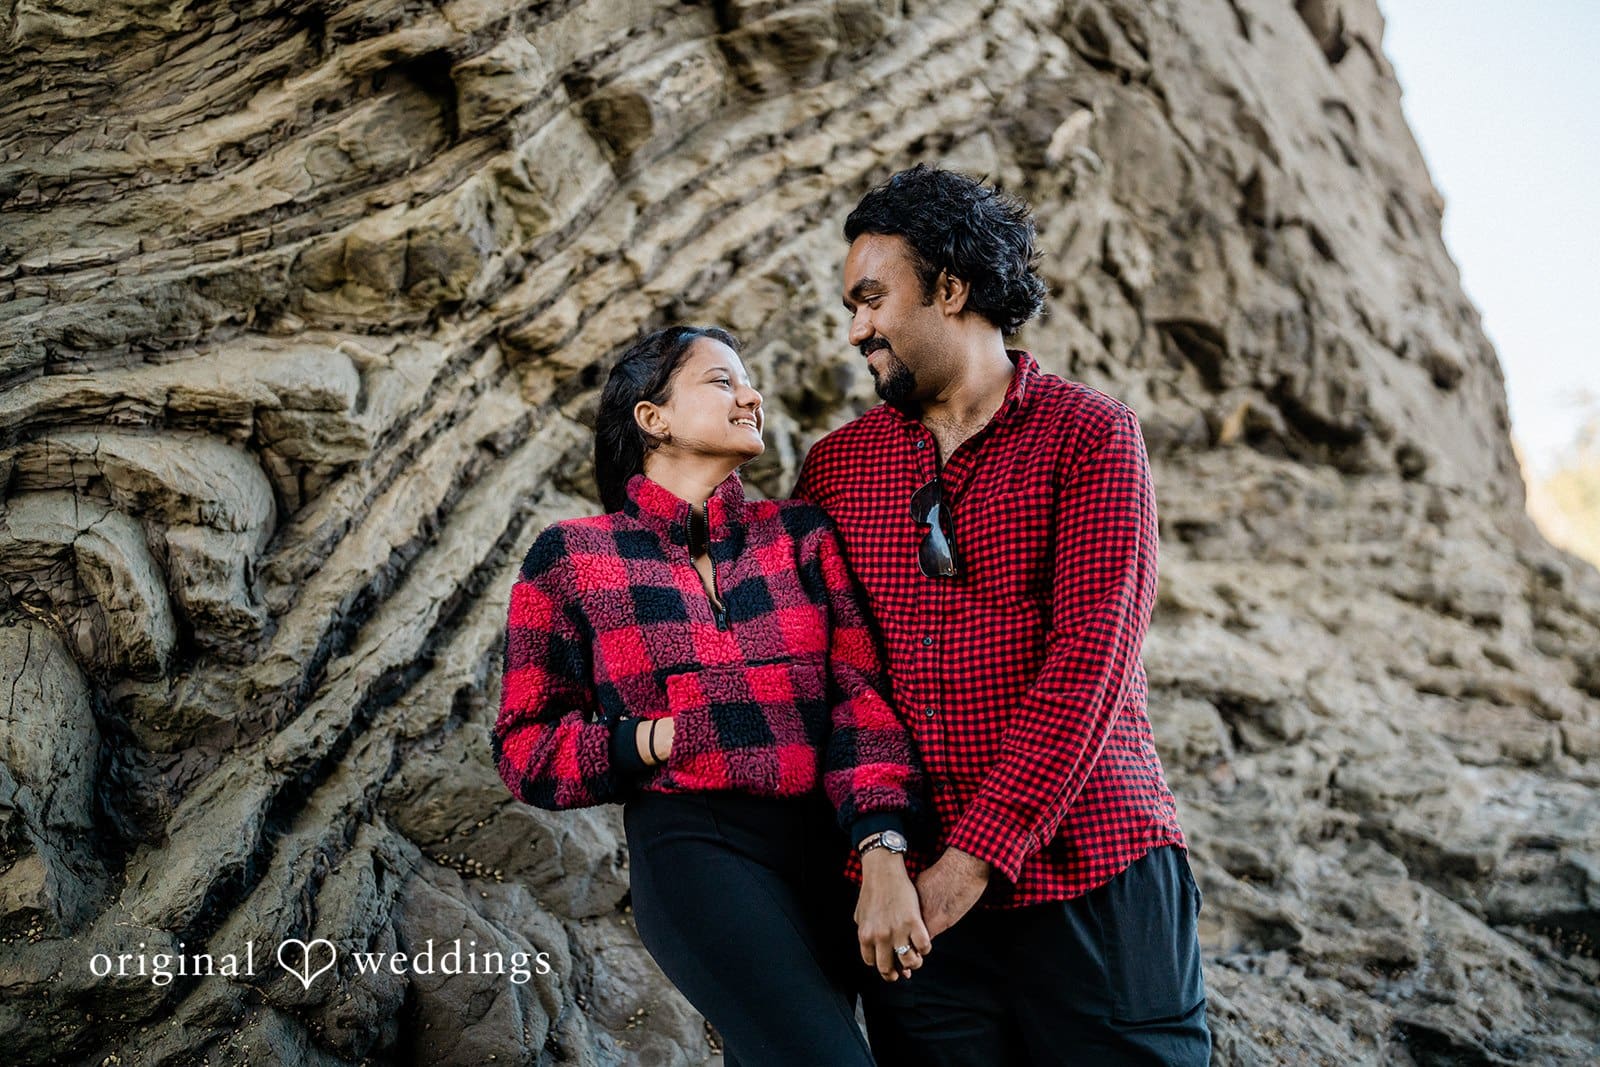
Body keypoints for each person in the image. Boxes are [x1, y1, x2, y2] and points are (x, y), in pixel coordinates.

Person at [794, 164, 1210, 1065]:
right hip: (916, 913)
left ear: (952, 287)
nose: (855, 327)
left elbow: (1090, 664)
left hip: (1097, 868)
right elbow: (840, 679)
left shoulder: (1093, 436)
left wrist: (970, 861)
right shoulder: (836, 470)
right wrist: (882, 862)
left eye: (872, 298)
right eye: (848, 307)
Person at [493, 325, 928, 1066]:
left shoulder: (799, 535)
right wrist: (656, 737)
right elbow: (524, 745)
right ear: (653, 417)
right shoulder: (573, 555)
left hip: (826, 855)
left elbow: (862, 700)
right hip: (694, 846)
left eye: (747, 381)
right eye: (723, 381)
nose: (750, 395)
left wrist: (881, 844)